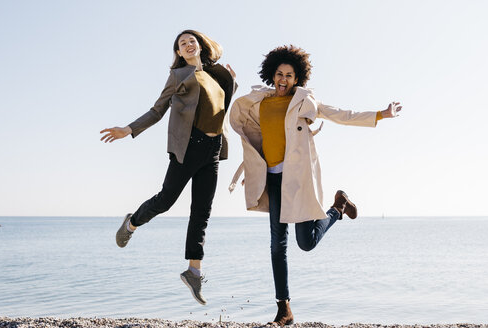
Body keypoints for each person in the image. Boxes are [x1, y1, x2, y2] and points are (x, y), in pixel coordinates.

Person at [229, 45, 401, 325]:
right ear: (272, 75)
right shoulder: (259, 102)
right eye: (279, 74)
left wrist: (380, 114)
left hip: (297, 179)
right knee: (277, 244)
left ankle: (337, 207)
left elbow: (341, 114)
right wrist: (255, 169)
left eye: (289, 75)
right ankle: (284, 309)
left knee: (306, 243)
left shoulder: (304, 102)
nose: (283, 79)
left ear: (297, 79)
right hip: (272, 179)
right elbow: (255, 139)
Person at [100, 29, 236, 305]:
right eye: (181, 44)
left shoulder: (219, 74)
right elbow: (157, 110)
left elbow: (220, 108)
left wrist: (233, 82)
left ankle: (194, 271)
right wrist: (128, 129)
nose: (187, 45)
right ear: (178, 52)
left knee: (202, 211)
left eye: (191, 41)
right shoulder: (178, 76)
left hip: (212, 148)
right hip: (188, 146)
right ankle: (133, 221)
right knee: (166, 200)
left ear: (200, 45)